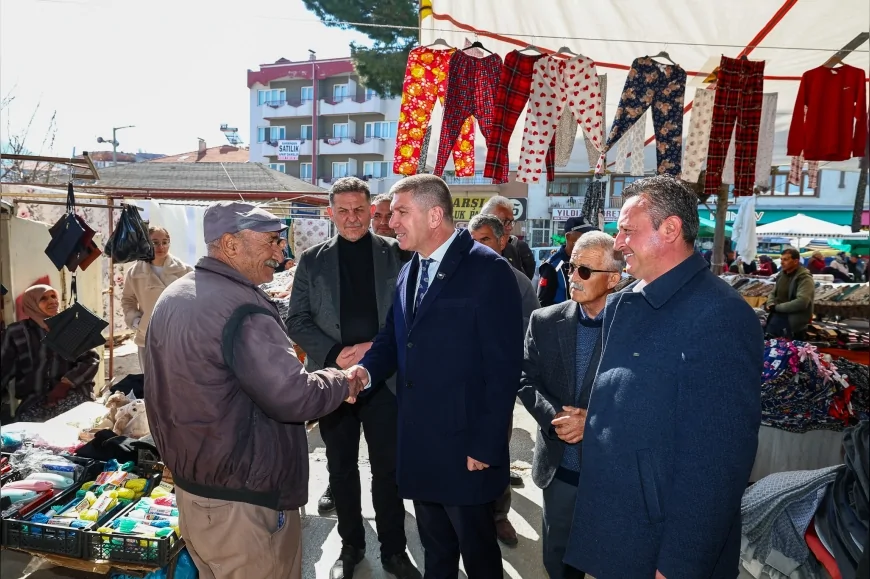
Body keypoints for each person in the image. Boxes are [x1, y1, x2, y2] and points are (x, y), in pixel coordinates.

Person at [145, 201, 361, 579]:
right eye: (272, 241)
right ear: (231, 244)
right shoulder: (240, 307)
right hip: (242, 504)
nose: (281, 251)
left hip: (195, 492)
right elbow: (293, 395)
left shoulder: (176, 294)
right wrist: (345, 380)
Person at [563, 176, 763, 579]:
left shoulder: (720, 315)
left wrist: (680, 564)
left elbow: (717, 462)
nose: (618, 243)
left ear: (670, 229)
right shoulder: (626, 302)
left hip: (658, 545)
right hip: (615, 526)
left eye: (627, 230)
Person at [347, 174, 523, 579]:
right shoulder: (410, 269)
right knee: (436, 551)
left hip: (466, 448)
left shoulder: (488, 270)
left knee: (478, 555)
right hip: (420, 444)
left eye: (401, 212)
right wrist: (363, 373)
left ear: (434, 215)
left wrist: (486, 443)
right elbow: (392, 339)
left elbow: (504, 367)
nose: (391, 222)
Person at [286, 177, 418, 579]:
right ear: (330, 213)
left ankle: (394, 550)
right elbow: (297, 319)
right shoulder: (312, 261)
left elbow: (414, 314)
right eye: (342, 211)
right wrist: (334, 353)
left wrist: (373, 349)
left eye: (359, 209)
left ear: (372, 210)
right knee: (341, 468)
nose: (352, 218)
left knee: (388, 470)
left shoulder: (397, 254)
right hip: (333, 382)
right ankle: (352, 545)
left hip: (384, 379)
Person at [518, 231, 624, 579]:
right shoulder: (544, 320)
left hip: (613, 472)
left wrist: (591, 423)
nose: (573, 277)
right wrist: (556, 419)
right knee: (559, 561)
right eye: (571, 267)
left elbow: (649, 397)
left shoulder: (635, 328)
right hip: (559, 469)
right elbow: (525, 379)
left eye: (585, 271)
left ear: (613, 278)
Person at [468, 212, 540, 547]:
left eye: (485, 239)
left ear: (502, 241)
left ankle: (499, 515)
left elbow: (528, 335)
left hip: (498, 384)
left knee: (496, 447)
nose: (478, 246)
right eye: (473, 240)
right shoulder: (454, 277)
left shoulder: (519, 283)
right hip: (459, 385)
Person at [1, 285, 100, 423]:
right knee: (28, 429)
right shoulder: (16, 332)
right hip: (35, 399)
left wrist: (65, 385)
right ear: (31, 304)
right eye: (44, 298)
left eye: (54, 296)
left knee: (72, 424)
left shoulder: (70, 326)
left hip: (73, 393)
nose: (52, 301)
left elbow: (91, 360)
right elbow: (4, 366)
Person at [121, 226, 193, 372]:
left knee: (177, 378)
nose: (161, 247)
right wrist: (136, 322)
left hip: (176, 336)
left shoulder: (185, 271)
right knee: (150, 379)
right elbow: (128, 299)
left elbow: (194, 301)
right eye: (155, 242)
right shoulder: (135, 273)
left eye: (165, 242)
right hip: (147, 335)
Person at [537, 218, 598, 307]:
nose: (589, 240)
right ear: (568, 237)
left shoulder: (590, 261)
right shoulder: (552, 266)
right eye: (584, 236)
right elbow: (542, 303)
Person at [480, 196, 536, 279]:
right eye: (504, 221)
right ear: (484, 221)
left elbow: (522, 283)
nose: (510, 227)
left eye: (511, 222)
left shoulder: (512, 250)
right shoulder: (468, 248)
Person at [765, 248, 815, 338]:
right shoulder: (782, 274)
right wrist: (770, 303)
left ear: (795, 261)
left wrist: (776, 307)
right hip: (776, 318)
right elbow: (773, 292)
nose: (782, 262)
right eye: (781, 259)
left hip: (792, 321)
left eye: (785, 259)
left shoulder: (804, 278)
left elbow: (802, 302)